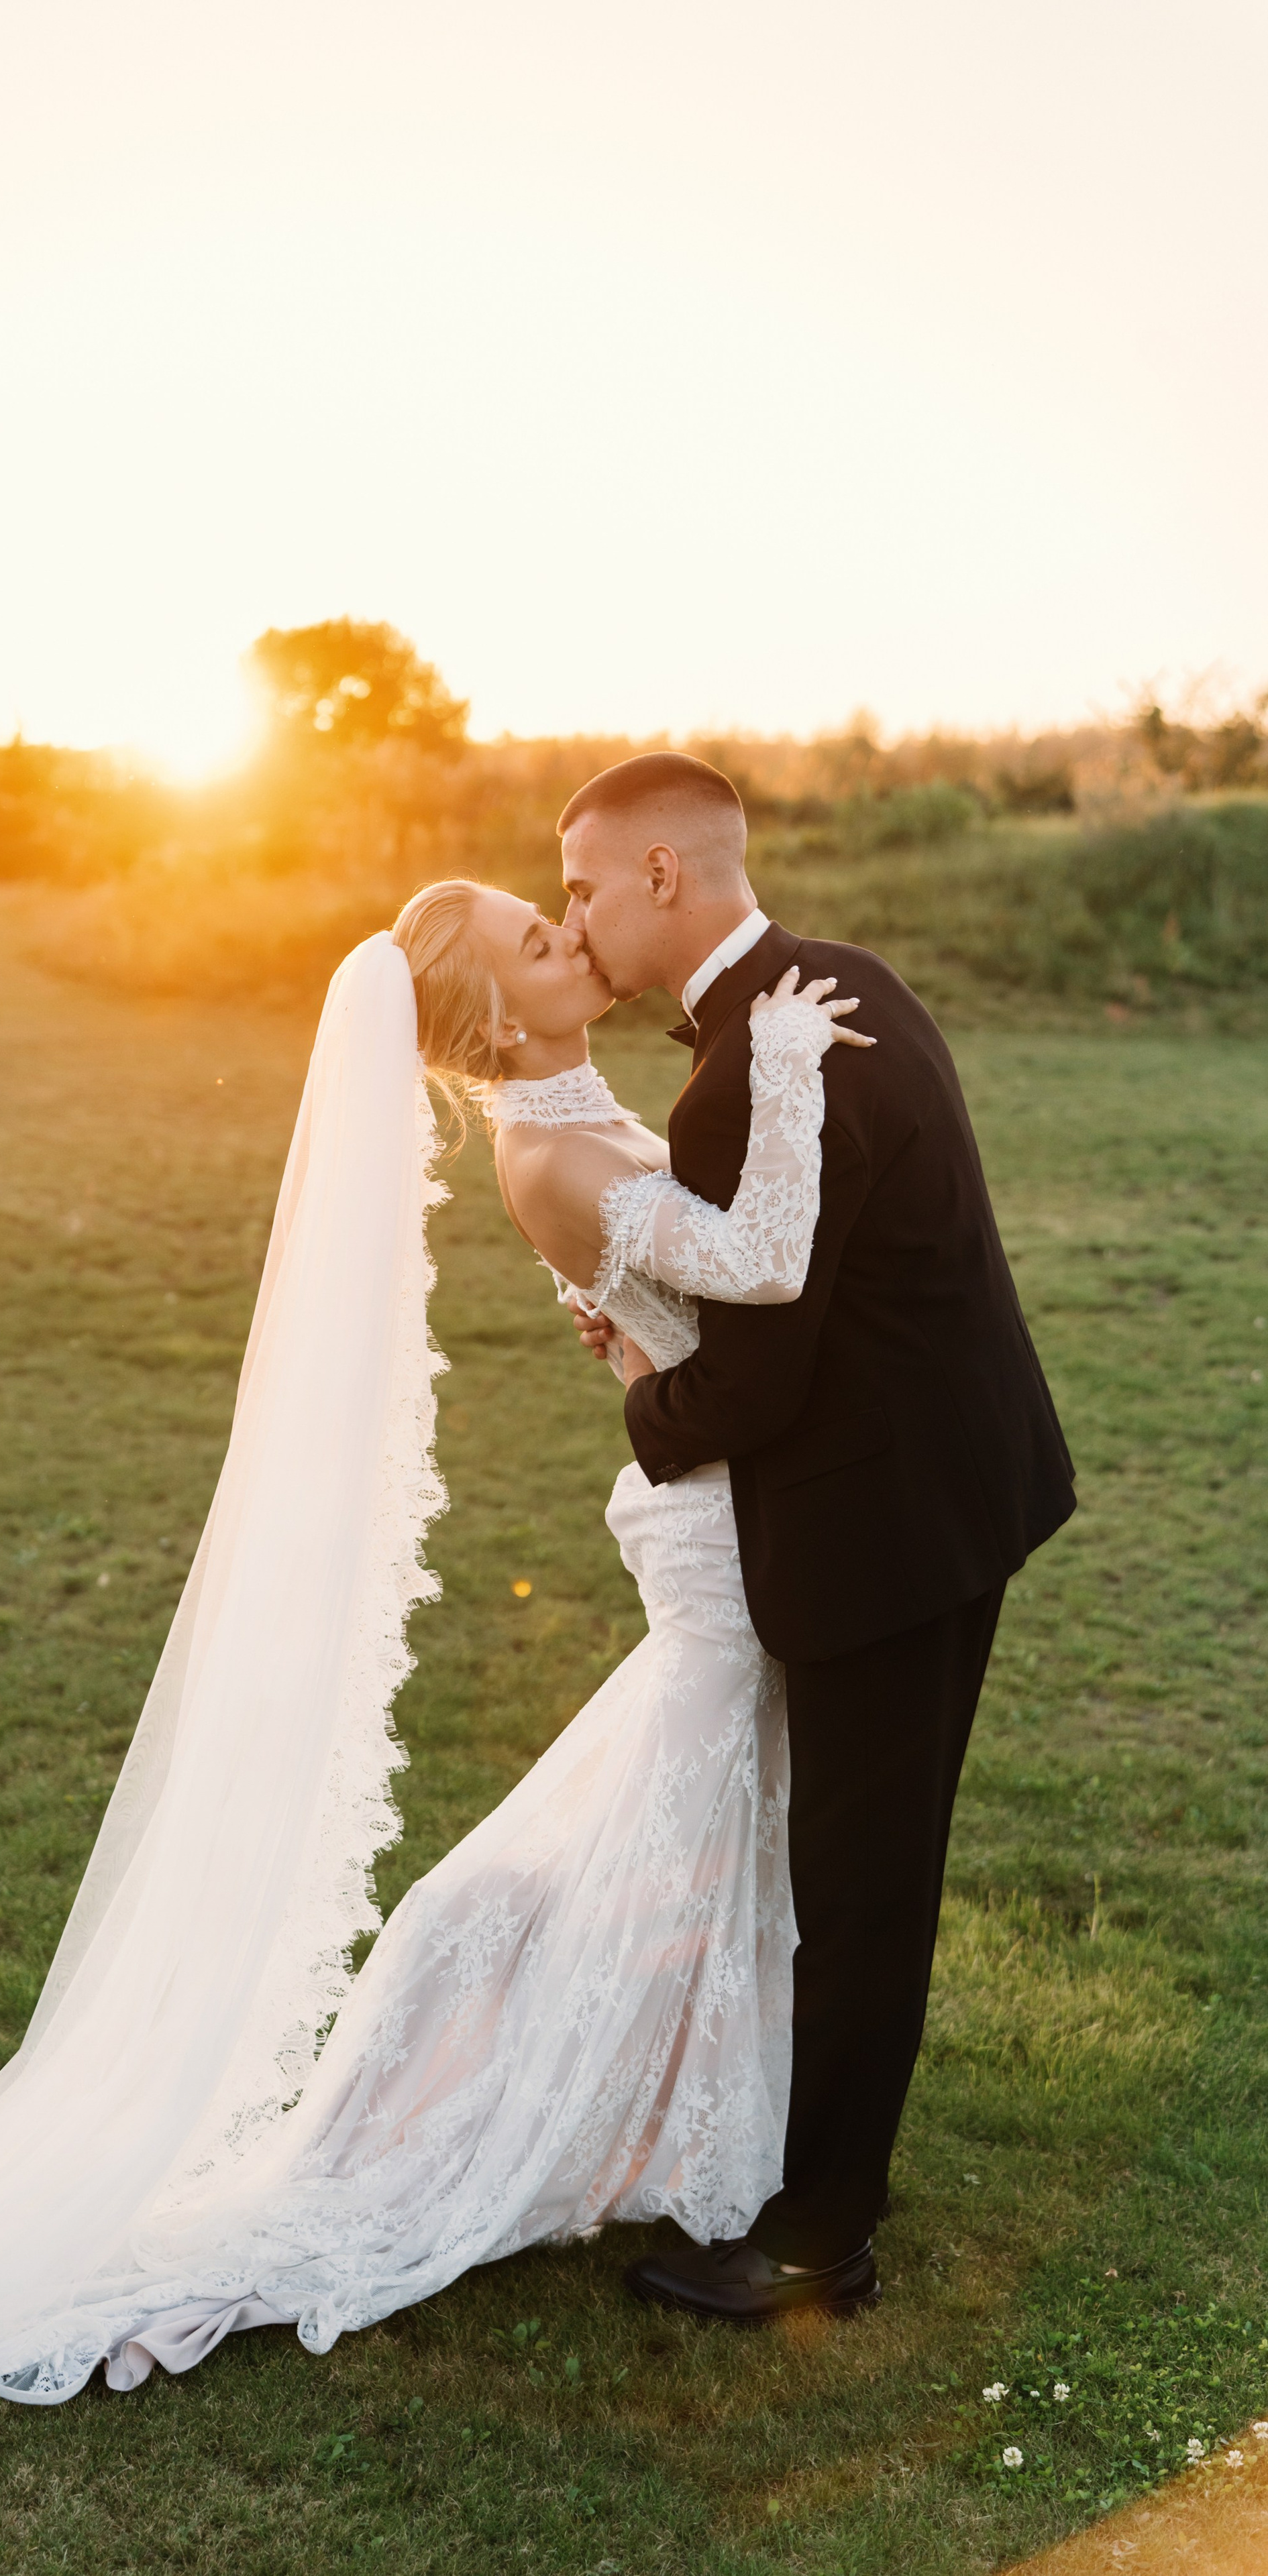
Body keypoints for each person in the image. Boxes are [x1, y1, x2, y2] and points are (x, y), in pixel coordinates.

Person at [0, 901, 863, 2575]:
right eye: (536, 934)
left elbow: (698, 1295)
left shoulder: (578, 1114)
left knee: (691, 1825)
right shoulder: (545, 1156)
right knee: (648, 1826)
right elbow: (757, 1264)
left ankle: (673, 2106)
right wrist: (792, 1066)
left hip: (724, 1510)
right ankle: (605, 2125)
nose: (568, 935)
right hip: (710, 1541)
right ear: (492, 1010)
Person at [556, 750, 1076, 2324]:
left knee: (859, 1885)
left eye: (582, 885)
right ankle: (817, 2174)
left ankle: (816, 2241)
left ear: (662, 874)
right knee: (866, 1867)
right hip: (960, 1487)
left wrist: (644, 1397)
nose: (572, 917)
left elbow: (761, 1380)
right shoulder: (848, 981)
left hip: (881, 1533)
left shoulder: (737, 1077)